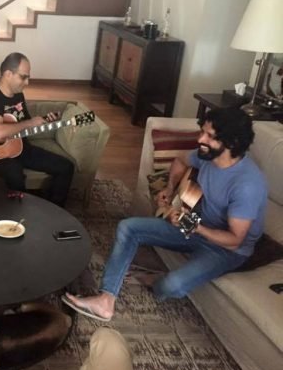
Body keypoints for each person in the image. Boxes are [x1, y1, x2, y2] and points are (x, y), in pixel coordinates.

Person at [63, 107, 267, 322]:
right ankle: (106, 299)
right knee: (128, 227)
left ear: (232, 143)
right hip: (197, 226)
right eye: (202, 132)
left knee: (172, 286)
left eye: (209, 136)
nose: (200, 139)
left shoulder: (247, 185)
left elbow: (235, 240)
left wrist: (192, 225)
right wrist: (170, 190)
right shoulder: (207, 156)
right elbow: (180, 162)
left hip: (227, 250)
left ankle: (155, 280)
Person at [0, 52, 74, 206]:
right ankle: (18, 216)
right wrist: (30, 123)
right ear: (8, 74)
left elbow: (25, 123)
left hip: (22, 148)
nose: (27, 82)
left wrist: (42, 121)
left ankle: (53, 210)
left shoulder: (18, 95)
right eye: (23, 77)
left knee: (66, 167)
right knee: (15, 176)